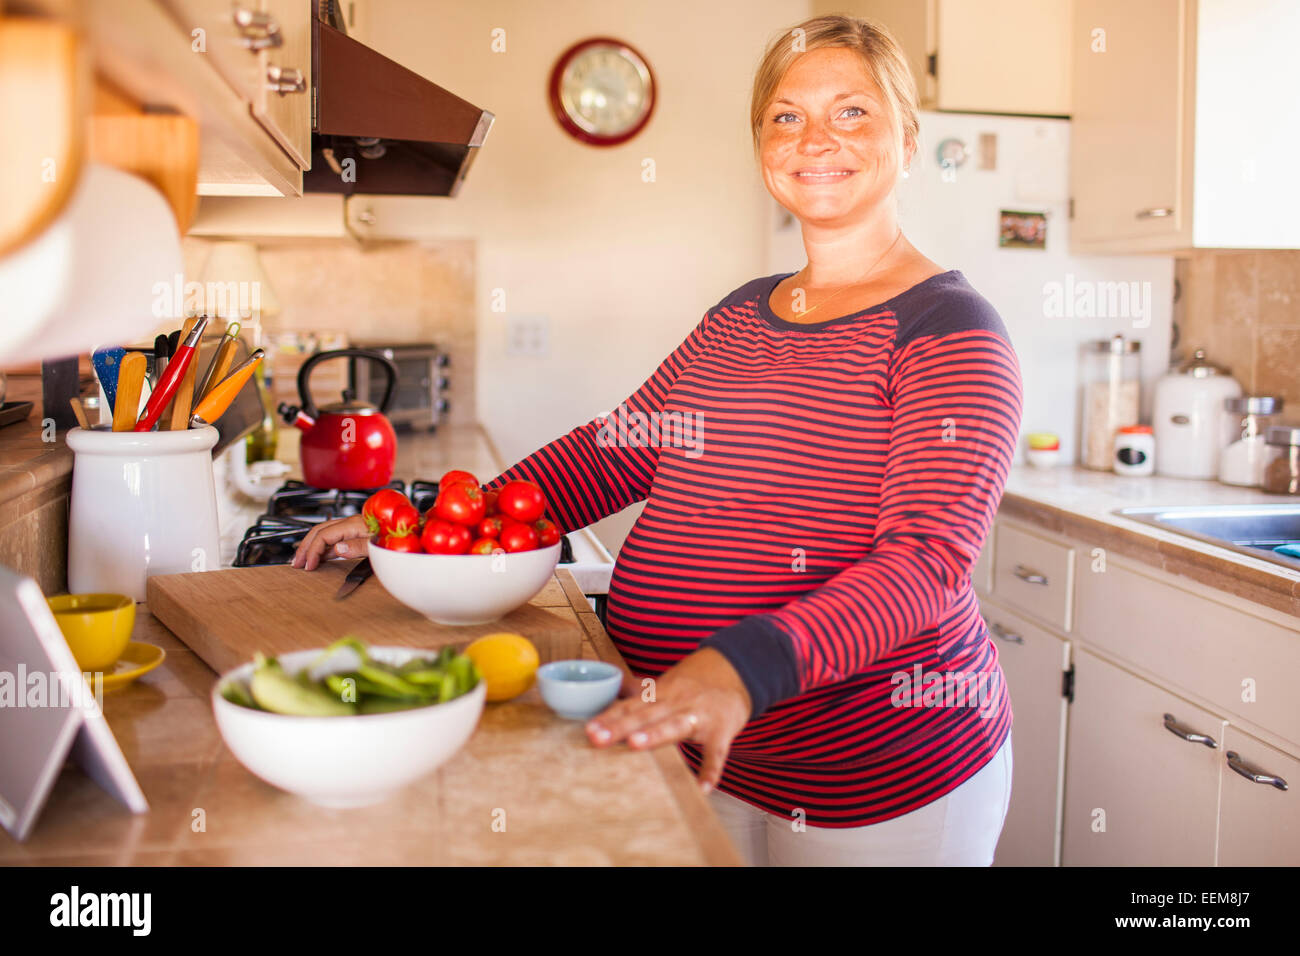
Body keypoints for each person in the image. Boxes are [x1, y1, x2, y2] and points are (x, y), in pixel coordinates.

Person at [292, 13, 1022, 867]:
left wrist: (740, 668)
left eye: (852, 112)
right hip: (696, 741)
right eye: (786, 116)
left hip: (873, 785)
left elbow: (923, 570)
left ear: (907, 139)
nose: (814, 138)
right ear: (761, 145)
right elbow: (617, 449)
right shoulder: (742, 314)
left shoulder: (948, 331)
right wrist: (421, 527)